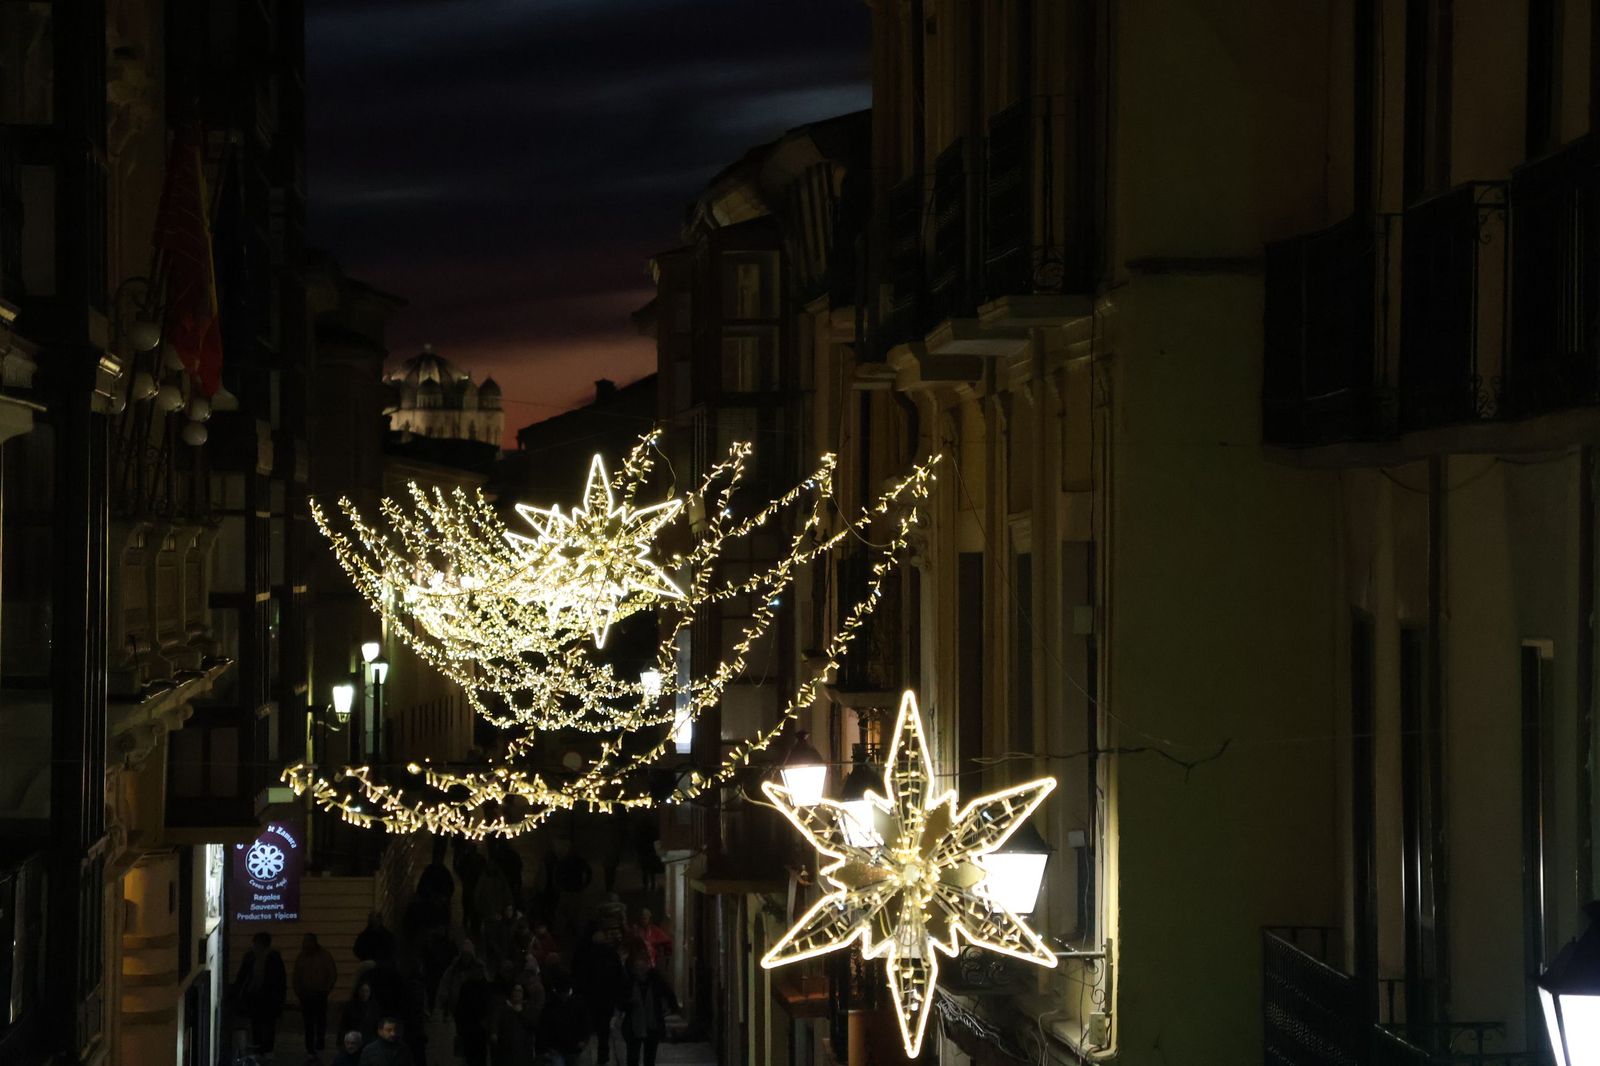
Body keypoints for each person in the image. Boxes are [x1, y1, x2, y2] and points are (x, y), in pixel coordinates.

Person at [572, 923, 625, 1065]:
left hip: (599, 997)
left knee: (599, 1028)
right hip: (597, 997)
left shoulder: (588, 952)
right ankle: (600, 1054)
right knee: (598, 1028)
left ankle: (600, 1054)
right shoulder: (593, 952)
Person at [619, 952, 678, 1066]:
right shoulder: (629, 983)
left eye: (642, 968)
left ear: (647, 967)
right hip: (633, 1025)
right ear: (633, 969)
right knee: (632, 1057)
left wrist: (671, 1008)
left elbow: (669, 994)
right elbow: (621, 1002)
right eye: (637, 969)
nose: (640, 972)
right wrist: (629, 1004)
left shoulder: (656, 981)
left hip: (652, 1024)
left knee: (650, 1058)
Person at [233, 931, 287, 1056]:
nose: (254, 945)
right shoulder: (252, 957)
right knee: (257, 1023)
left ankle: (266, 1048)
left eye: (255, 943)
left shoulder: (272, 958)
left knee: (267, 1024)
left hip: (268, 997)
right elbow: (242, 976)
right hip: (255, 995)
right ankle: (260, 1047)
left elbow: (279, 981)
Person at [294, 932, 339, 1057]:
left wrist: (326, 989)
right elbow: (296, 975)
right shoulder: (302, 956)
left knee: (320, 1020)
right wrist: (298, 991)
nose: (305, 944)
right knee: (308, 1022)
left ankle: (319, 1043)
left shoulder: (324, 956)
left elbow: (332, 974)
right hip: (306, 994)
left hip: (319, 993)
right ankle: (310, 1047)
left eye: (307, 941)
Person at [535, 970, 591, 1066]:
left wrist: (584, 1039)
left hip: (566, 1046)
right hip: (562, 1047)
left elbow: (585, 1022)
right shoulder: (576, 1002)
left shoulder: (552, 1004)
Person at [490, 982, 537, 1066]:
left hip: (523, 1050)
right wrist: (494, 1032)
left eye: (519, 991)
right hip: (506, 1049)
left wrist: (520, 1012)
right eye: (515, 990)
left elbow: (533, 1025)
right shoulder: (503, 1007)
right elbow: (495, 1021)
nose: (517, 993)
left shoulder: (528, 1008)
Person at [341, 979, 384, 1048]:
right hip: (353, 1042)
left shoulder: (374, 1007)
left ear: (370, 992)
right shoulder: (350, 1006)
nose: (364, 994)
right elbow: (344, 1025)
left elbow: (377, 1026)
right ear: (358, 991)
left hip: (369, 1042)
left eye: (367, 991)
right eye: (362, 991)